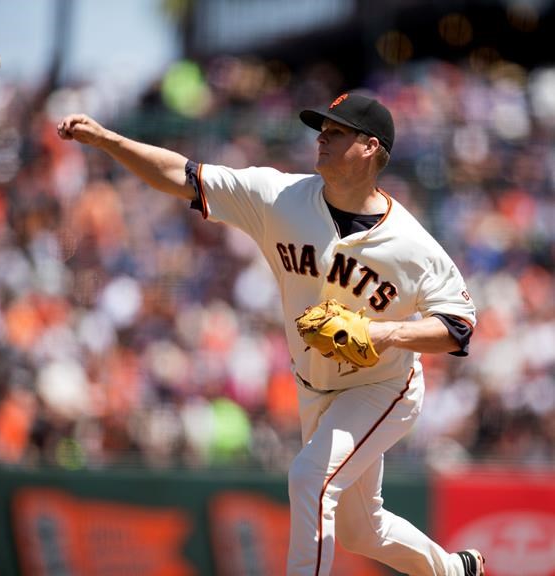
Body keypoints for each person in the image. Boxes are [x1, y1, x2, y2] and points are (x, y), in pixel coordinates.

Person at [57, 91, 485, 576]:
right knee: (360, 530)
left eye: (336, 132)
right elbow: (184, 176)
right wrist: (107, 139)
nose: (321, 138)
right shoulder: (278, 197)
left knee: (310, 478)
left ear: (369, 147)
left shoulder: (411, 244)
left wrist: (383, 334)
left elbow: (457, 327)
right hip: (313, 385)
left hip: (381, 386)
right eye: (321, 129)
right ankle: (454, 571)